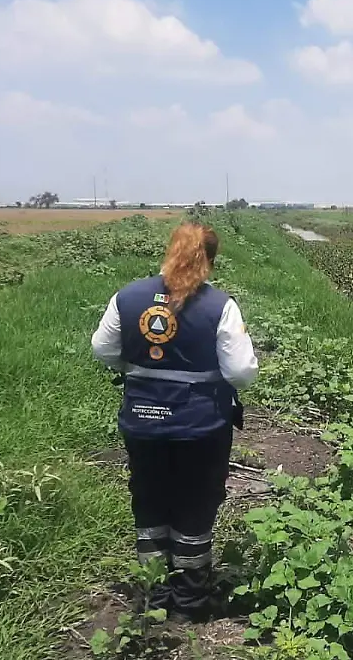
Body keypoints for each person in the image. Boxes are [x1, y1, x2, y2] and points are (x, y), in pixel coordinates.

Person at [90, 222, 259, 622]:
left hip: (142, 422)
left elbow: (102, 349)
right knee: (195, 505)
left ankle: (154, 595)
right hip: (200, 427)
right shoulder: (220, 306)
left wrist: (138, 368)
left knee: (149, 499)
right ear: (211, 261)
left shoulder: (128, 297)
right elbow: (241, 372)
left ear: (170, 252)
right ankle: (189, 601)